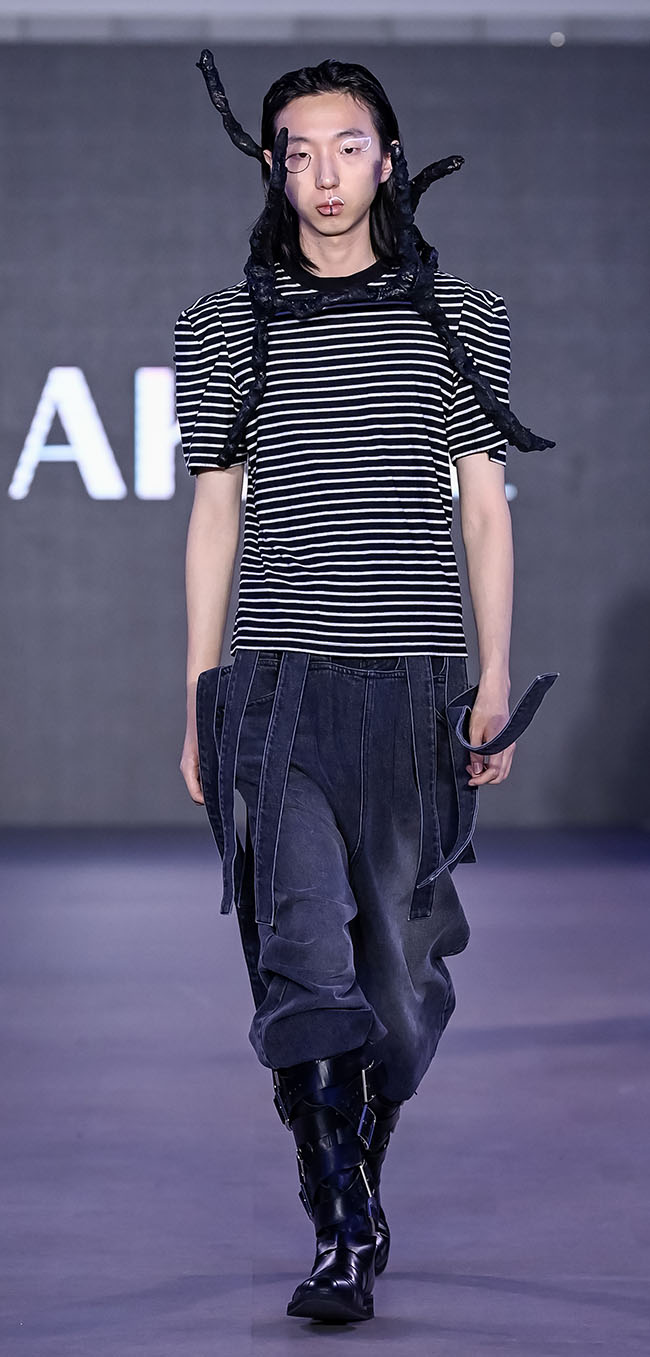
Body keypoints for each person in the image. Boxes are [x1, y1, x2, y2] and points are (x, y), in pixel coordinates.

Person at [174, 54, 558, 1325]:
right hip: (277, 686)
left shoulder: (458, 315)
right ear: (270, 166)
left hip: (411, 693)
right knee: (297, 955)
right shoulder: (223, 325)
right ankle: (340, 1220)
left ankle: (353, 1173)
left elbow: (484, 512)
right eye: (298, 150)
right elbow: (215, 517)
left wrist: (491, 674)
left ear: (387, 158)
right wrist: (199, 695)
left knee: (396, 989)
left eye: (348, 146)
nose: (325, 174)